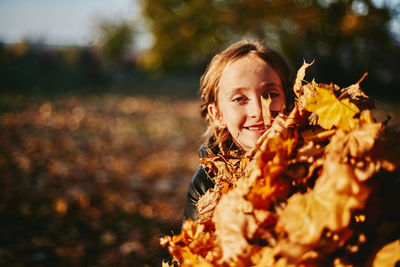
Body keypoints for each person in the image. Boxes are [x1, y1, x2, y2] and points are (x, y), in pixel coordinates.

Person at [183, 40, 295, 221]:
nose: (258, 111)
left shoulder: (319, 161)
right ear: (217, 114)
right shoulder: (206, 184)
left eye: (271, 94)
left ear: (289, 101)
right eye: (239, 99)